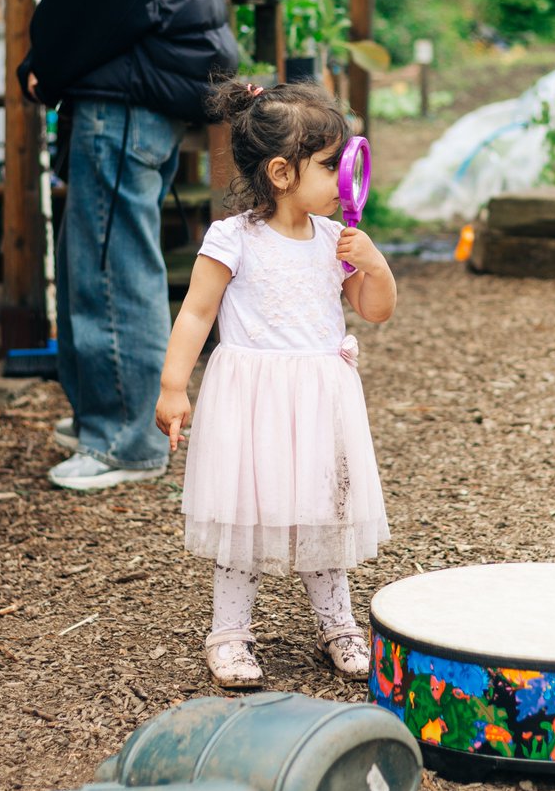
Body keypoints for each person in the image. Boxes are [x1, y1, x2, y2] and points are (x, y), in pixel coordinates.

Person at [17, 0, 238, 492]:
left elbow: (89, 6)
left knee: (111, 272)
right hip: (135, 106)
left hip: (124, 108)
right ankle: (104, 416)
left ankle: (130, 440)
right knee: (99, 266)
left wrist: (42, 63)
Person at [155, 80, 396, 687]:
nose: (343, 179)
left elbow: (374, 309)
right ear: (283, 172)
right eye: (331, 166)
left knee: (325, 512)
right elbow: (195, 313)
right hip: (254, 402)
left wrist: (375, 264)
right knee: (246, 517)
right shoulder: (233, 238)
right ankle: (230, 634)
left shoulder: (333, 241)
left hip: (319, 401)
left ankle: (337, 622)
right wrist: (173, 385)